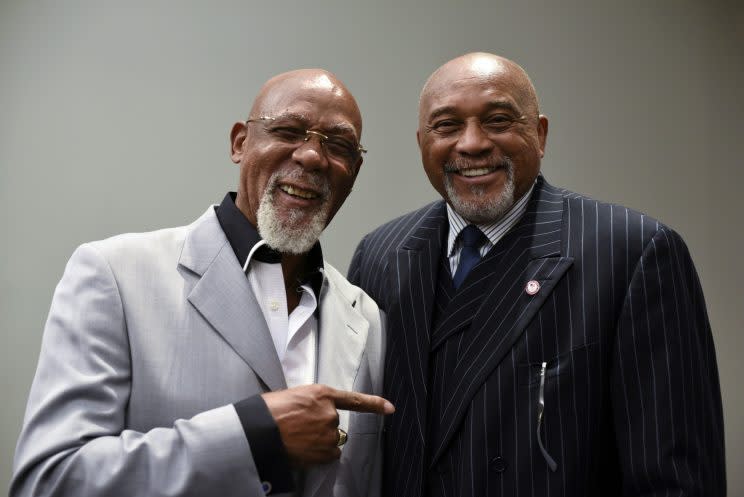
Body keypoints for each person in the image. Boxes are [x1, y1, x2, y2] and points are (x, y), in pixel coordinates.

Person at [348, 52, 725, 497]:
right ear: (421, 142)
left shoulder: (632, 253)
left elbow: (675, 479)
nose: (472, 144)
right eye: (447, 125)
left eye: (499, 120)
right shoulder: (381, 255)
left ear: (540, 134)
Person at [12, 69, 393, 497]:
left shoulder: (367, 320)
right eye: (288, 130)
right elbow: (50, 480)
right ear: (239, 143)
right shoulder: (114, 275)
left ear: (354, 170)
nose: (311, 157)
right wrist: (255, 437)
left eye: (337, 145)